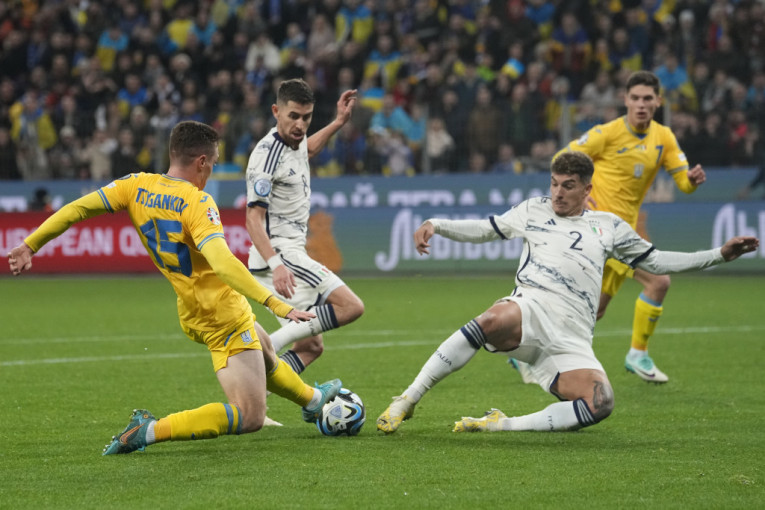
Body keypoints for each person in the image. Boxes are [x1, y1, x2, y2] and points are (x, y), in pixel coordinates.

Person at [7, 121, 342, 455]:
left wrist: (30, 244)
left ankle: (313, 400)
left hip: (192, 310)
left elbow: (76, 209)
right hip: (222, 314)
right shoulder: (196, 202)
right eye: (213, 163)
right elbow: (223, 264)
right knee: (251, 415)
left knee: (265, 349)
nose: (211, 170)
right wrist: (275, 303)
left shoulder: (136, 185)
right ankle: (149, 430)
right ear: (201, 161)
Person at [376, 151, 757, 434]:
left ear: (587, 189)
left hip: (572, 337)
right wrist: (436, 224)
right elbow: (485, 229)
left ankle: (500, 424)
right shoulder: (534, 210)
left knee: (600, 403)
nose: (558, 193)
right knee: (492, 318)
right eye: (554, 184)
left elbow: (656, 262)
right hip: (531, 308)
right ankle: (407, 399)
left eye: (568, 186)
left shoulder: (608, 226)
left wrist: (719, 255)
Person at [539, 70, 708, 383]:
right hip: (598, 230)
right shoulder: (607, 133)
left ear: (658, 101)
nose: (641, 104)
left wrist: (691, 181)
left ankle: (534, 348)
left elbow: (683, 183)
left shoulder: (664, 138)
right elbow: (562, 157)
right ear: (625, 100)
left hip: (625, 229)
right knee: (659, 281)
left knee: (595, 310)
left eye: (647, 98)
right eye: (635, 98)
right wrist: (577, 194)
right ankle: (637, 354)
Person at [244, 79, 365, 377]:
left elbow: (307, 150)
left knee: (310, 347)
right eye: (294, 116)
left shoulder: (294, 142)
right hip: (281, 254)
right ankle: (261, 352)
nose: (300, 125)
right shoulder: (267, 157)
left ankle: (256, 391)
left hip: (283, 255)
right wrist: (277, 264)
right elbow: (252, 220)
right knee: (351, 307)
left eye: (306, 117)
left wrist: (338, 122)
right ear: (276, 111)